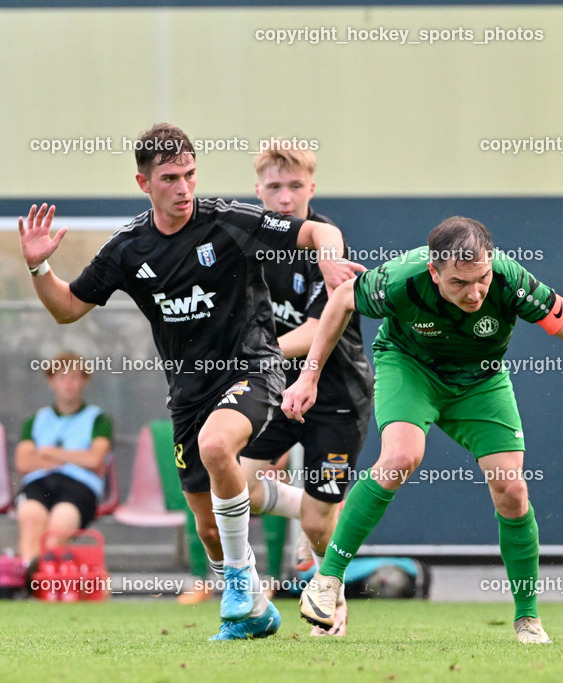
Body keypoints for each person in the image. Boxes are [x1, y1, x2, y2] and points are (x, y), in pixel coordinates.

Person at [17, 123, 363, 640]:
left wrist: (329, 257)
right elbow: (68, 308)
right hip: (189, 394)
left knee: (217, 444)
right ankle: (254, 607)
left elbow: (316, 232)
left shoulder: (228, 221)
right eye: (170, 178)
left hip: (255, 370)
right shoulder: (129, 249)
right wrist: (40, 267)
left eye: (190, 175)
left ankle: (246, 583)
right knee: (208, 528)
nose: (183, 188)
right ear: (144, 183)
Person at [282, 216, 563, 644]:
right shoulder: (400, 279)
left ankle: (528, 618)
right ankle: (328, 578)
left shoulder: (511, 282)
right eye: (459, 283)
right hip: (410, 368)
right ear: (433, 272)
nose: (474, 292)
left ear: (490, 263)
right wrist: (308, 376)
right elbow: (342, 299)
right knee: (401, 457)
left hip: (480, 381)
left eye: (481, 278)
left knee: (512, 489)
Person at [237, 146, 373, 636]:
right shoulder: (248, 241)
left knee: (318, 528)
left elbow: (316, 330)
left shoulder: (325, 247)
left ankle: (332, 602)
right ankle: (310, 504)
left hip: (338, 396)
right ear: (258, 191)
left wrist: (251, 355)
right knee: (230, 483)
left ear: (311, 189)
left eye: (295, 186)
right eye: (274, 187)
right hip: (277, 390)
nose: (285, 196)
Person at [15, 352, 113, 568]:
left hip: (79, 487)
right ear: (51, 381)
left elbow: (95, 460)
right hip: (39, 483)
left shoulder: (99, 419)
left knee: (58, 528)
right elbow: (24, 462)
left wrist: (49, 452)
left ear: (84, 381)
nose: (68, 383)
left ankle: (47, 583)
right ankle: (29, 583)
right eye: (62, 377)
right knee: (30, 518)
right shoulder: (36, 420)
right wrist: (74, 458)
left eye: (75, 377)